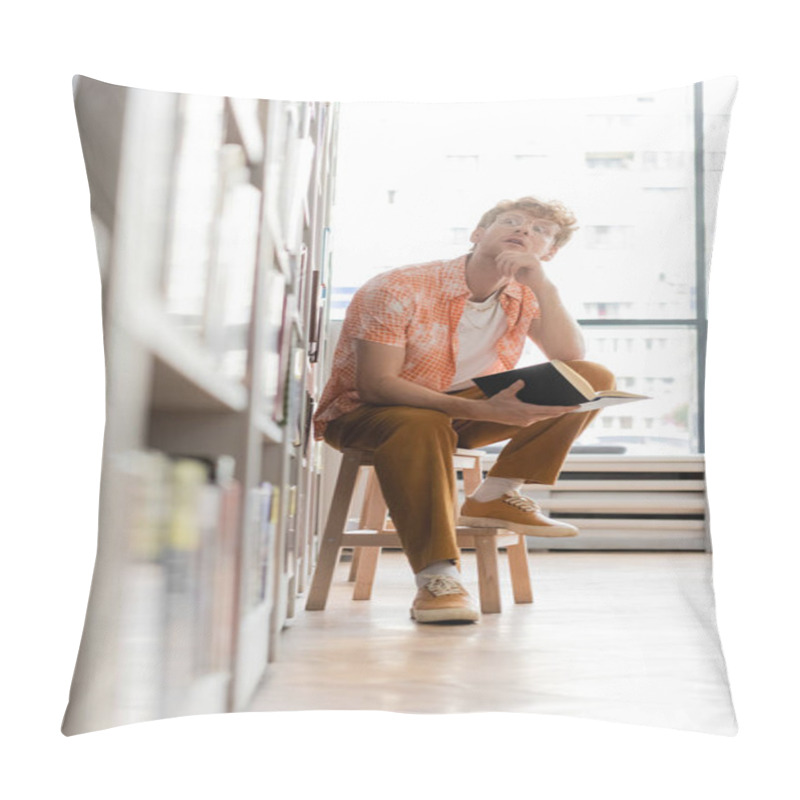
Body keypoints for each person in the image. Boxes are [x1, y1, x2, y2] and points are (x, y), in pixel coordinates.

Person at [313, 196, 615, 623]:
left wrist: (544, 286)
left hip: (460, 414)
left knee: (592, 378)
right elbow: (376, 386)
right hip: (369, 415)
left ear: (548, 253)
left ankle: (497, 494)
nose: (525, 231)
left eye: (540, 231)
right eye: (512, 222)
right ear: (477, 234)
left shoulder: (525, 296)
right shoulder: (399, 287)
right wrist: (487, 412)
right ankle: (439, 579)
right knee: (420, 424)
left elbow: (569, 356)